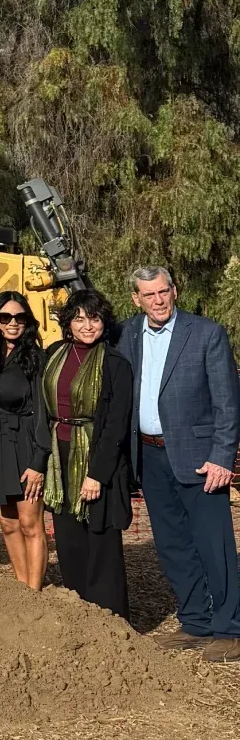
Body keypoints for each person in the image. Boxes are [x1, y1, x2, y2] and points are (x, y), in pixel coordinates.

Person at [118, 266, 240, 658]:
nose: (158, 300)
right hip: (149, 456)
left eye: (163, 291)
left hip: (200, 459)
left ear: (174, 290)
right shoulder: (127, 334)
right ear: (136, 299)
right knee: (172, 545)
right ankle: (195, 622)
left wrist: (223, 457)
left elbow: (227, 403)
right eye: (148, 294)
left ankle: (230, 627)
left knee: (213, 544)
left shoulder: (206, 333)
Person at [40, 287, 134, 619]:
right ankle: (80, 613)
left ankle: (110, 618)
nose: (87, 325)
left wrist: (97, 474)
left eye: (93, 318)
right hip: (59, 455)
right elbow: (42, 409)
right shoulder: (53, 354)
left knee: (101, 539)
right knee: (69, 541)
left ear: (104, 322)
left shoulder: (115, 364)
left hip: (96, 457)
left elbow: (116, 425)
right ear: (68, 323)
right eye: (79, 318)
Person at [0, 291, 48, 592]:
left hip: (25, 441)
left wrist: (38, 461)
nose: (13, 323)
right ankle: (21, 588)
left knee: (30, 524)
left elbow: (44, 413)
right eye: (5, 317)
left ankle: (35, 590)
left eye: (20, 317)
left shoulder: (35, 359)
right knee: (7, 523)